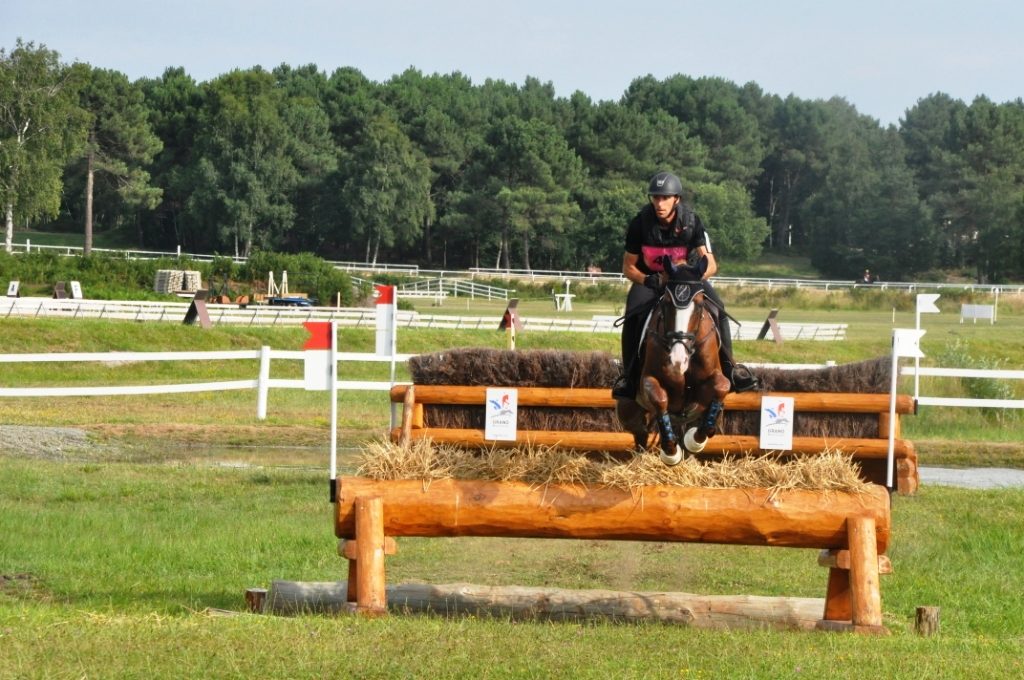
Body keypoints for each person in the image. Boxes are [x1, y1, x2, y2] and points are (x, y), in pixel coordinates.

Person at [611, 171, 760, 399]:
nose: (659, 203)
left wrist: (691, 279)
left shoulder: (691, 222)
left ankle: (731, 370)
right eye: (656, 198)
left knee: (718, 306)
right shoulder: (639, 224)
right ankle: (629, 378)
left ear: (676, 199)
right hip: (652, 280)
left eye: (665, 198)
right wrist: (647, 279)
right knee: (633, 313)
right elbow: (628, 267)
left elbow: (710, 264)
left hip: (687, 279)